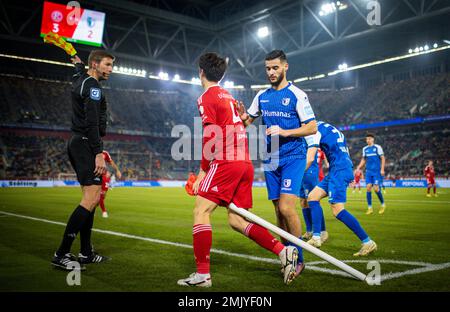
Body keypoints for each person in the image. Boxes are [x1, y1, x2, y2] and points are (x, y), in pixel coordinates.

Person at [177, 52, 299, 288]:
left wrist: (203, 172)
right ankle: (283, 251)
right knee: (236, 220)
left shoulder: (206, 97)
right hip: (244, 164)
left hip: (226, 161)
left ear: (200, 72)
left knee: (201, 210)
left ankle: (202, 275)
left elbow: (211, 136)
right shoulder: (228, 96)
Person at [238, 50, 317, 269]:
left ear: (285, 67)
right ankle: (287, 257)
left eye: (275, 68)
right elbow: (246, 123)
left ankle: (299, 259)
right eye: (268, 68)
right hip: (271, 158)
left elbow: (312, 127)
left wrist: (285, 132)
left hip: (294, 156)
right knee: (277, 211)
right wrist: (242, 117)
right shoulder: (262, 96)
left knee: (286, 208)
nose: (271, 72)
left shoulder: (297, 95)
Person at [51, 50, 114, 270]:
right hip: (86, 143)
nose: (110, 69)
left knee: (92, 198)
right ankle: (61, 253)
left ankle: (86, 252)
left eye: (111, 65)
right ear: (95, 64)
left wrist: (79, 65)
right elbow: (92, 122)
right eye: (107, 65)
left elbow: (79, 74)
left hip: (77, 142)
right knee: (90, 199)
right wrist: (98, 152)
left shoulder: (81, 78)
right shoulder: (94, 87)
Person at [307, 121, 377, 256]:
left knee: (337, 210)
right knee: (313, 196)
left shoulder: (314, 129)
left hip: (339, 170)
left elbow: (311, 155)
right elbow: (344, 149)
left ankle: (367, 242)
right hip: (339, 168)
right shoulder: (333, 129)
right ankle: (317, 237)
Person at [300, 136, 328, 247]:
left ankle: (322, 232)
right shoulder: (299, 136)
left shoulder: (310, 135)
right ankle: (309, 231)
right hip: (301, 172)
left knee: (313, 201)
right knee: (303, 201)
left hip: (309, 172)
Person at [355, 133, 386, 215]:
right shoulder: (365, 149)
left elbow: (382, 158)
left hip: (376, 171)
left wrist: (382, 169)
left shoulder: (377, 147)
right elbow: (364, 160)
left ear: (373, 139)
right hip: (368, 172)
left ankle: (383, 205)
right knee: (368, 188)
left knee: (376, 189)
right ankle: (370, 208)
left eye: (369, 139)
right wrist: (358, 167)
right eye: (367, 139)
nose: (367, 140)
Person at [98, 150, 122, 218]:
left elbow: (111, 162)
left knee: (103, 195)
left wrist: (117, 170)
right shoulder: (91, 151)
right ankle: (104, 211)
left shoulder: (105, 153)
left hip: (104, 175)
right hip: (95, 175)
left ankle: (94, 206)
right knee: (98, 194)